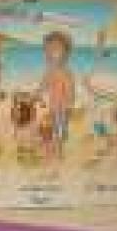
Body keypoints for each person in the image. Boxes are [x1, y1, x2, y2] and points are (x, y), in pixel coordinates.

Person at [40, 31, 75, 160]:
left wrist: (70, 104)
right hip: (53, 105)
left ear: (65, 54)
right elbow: (44, 84)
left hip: (64, 106)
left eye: (55, 50)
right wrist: (36, 93)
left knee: (62, 128)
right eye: (48, 50)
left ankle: (60, 149)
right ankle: (55, 146)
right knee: (54, 127)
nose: (50, 53)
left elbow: (70, 90)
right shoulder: (50, 71)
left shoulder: (66, 72)